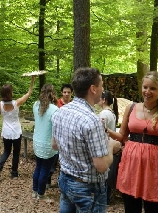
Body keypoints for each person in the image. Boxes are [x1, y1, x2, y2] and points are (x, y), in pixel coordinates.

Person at [51, 67, 121, 212]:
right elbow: (101, 166)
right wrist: (111, 147)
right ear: (93, 89)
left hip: (65, 180)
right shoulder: (92, 121)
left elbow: (55, 145)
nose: (103, 89)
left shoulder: (60, 112)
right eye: (101, 84)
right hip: (88, 189)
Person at [107, 71, 158, 213]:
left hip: (155, 165)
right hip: (131, 164)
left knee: (154, 207)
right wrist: (106, 130)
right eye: (145, 87)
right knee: (131, 207)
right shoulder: (132, 107)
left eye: (153, 88)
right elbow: (122, 136)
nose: (147, 91)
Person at [0, 76, 36, 179]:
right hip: (16, 132)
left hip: (6, 132)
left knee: (6, 151)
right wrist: (32, 80)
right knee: (16, 152)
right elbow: (29, 93)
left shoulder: (0, 104)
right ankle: (14, 173)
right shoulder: (17, 103)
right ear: (10, 93)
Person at [32, 84, 58, 199]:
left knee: (38, 167)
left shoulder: (35, 105)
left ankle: (35, 190)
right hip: (48, 144)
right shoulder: (55, 109)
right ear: (52, 94)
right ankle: (40, 193)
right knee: (44, 169)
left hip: (37, 142)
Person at [47, 83, 73, 188]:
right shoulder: (56, 104)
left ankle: (62, 182)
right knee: (53, 161)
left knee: (66, 162)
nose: (66, 94)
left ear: (72, 93)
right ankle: (47, 181)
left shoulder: (73, 105)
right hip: (57, 137)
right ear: (61, 93)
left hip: (69, 138)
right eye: (64, 92)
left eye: (68, 92)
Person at [97, 90, 119, 204]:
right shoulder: (111, 112)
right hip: (110, 145)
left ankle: (104, 199)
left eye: (100, 98)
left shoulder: (104, 114)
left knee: (104, 175)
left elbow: (101, 132)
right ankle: (107, 197)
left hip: (105, 146)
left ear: (104, 100)